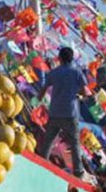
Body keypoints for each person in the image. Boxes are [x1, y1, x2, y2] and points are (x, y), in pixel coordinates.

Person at [36, 47, 90, 178]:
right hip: (70, 113)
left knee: (48, 141)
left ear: (59, 58)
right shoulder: (77, 72)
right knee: (75, 143)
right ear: (72, 59)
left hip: (55, 112)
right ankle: (78, 171)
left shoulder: (54, 72)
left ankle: (42, 163)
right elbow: (85, 91)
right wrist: (77, 94)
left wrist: (38, 100)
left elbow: (43, 89)